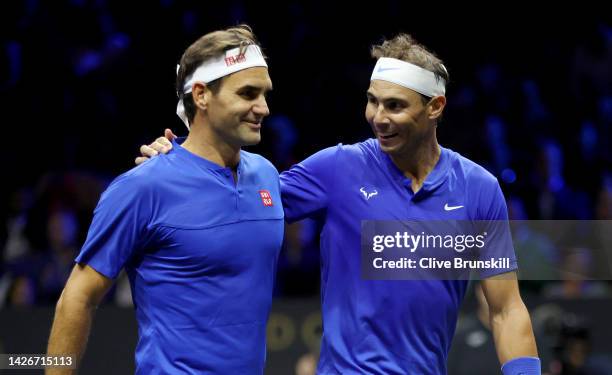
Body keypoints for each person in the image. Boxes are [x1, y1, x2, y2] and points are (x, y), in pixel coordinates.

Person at [139, 33, 541, 374]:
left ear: (435, 107)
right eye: (373, 101)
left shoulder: (479, 190)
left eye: (395, 106)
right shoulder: (337, 168)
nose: (378, 117)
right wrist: (179, 162)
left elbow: (506, 309)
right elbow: (239, 199)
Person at [46, 24, 283, 374]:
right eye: (247, 94)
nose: (262, 108)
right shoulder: (142, 187)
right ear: (201, 95)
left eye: (265, 94)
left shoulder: (267, 175)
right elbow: (77, 298)